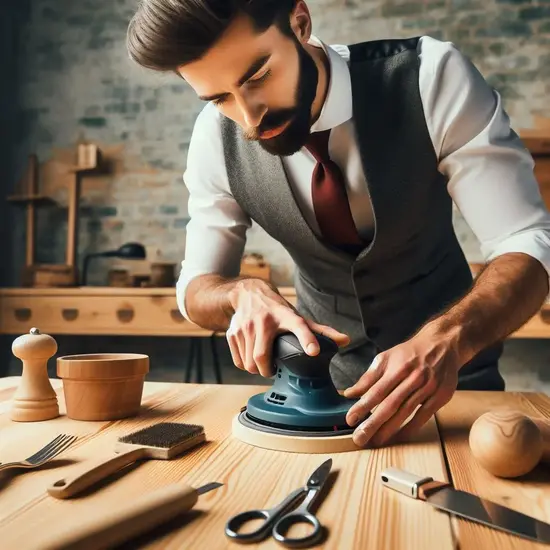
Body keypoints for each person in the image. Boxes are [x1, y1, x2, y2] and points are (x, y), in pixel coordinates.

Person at [126, 0, 550, 448]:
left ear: (300, 22)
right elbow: (196, 284)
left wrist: (451, 337)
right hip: (325, 409)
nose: (249, 118)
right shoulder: (215, 138)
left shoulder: (431, 78)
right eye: (219, 98)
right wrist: (239, 294)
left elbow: (526, 239)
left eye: (258, 77)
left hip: (458, 399)